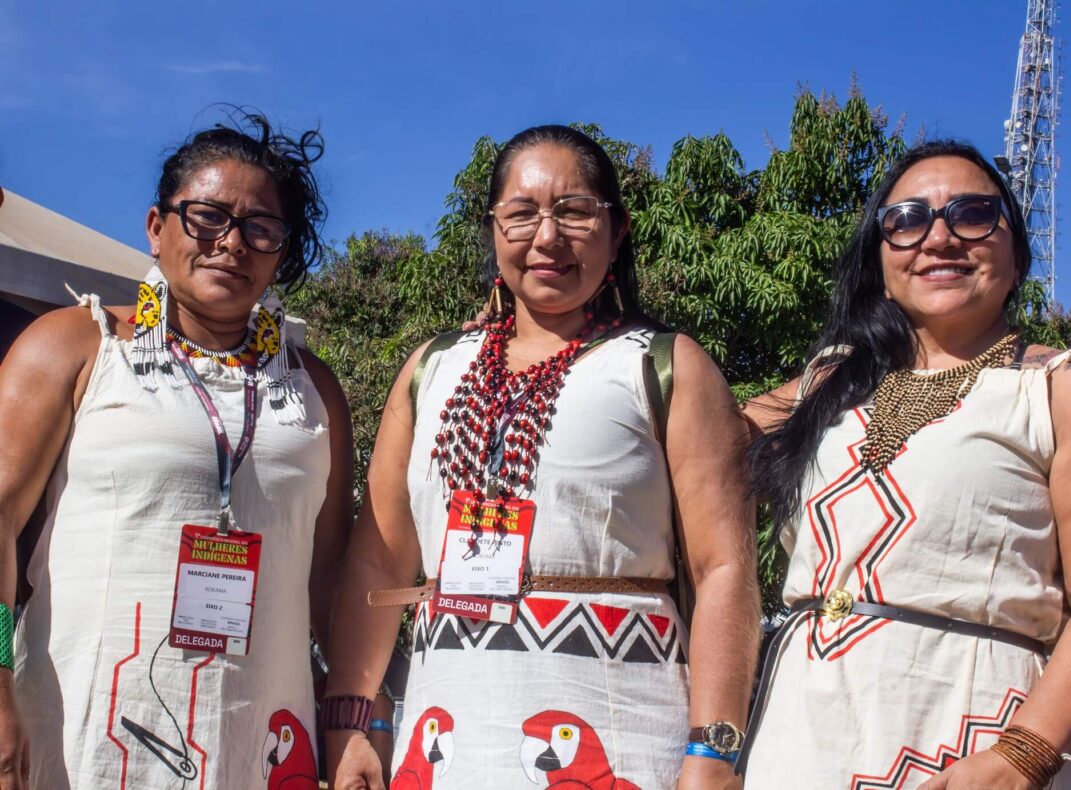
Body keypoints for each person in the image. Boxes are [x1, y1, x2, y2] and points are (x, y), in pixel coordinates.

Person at [325, 124, 760, 789]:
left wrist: (714, 750)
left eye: (575, 211)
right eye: (522, 214)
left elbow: (723, 566)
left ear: (617, 231)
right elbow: (379, 556)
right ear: (494, 230)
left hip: (620, 734)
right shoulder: (433, 367)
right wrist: (357, 718)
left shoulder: (665, 366)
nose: (548, 237)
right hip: (449, 734)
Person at [740, 140, 1071, 789]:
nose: (938, 237)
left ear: (1016, 253)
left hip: (972, 742)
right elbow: (692, 446)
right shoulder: (828, 382)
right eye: (906, 220)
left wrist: (1024, 753)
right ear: (880, 262)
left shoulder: (1064, 386)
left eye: (972, 215)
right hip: (797, 738)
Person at [0, 112, 354, 789]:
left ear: (281, 251)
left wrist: (355, 715)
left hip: (261, 742)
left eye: (261, 228)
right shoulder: (77, 345)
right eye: (207, 217)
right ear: (156, 228)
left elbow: (328, 577)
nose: (232, 243)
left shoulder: (312, 389)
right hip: (88, 739)